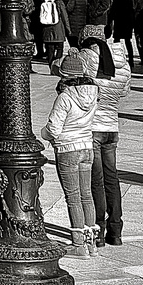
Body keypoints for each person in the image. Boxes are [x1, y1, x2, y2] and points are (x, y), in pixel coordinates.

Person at [41, 48, 99, 257]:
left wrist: (44, 133)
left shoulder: (65, 97)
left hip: (68, 149)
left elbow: (53, 129)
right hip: (87, 147)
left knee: (73, 197)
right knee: (87, 195)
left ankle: (78, 244)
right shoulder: (93, 92)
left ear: (64, 75)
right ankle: (92, 244)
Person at [80, 30, 131, 248]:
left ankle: (99, 230)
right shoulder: (123, 64)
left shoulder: (86, 58)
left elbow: (63, 70)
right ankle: (116, 231)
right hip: (112, 127)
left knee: (96, 181)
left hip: (93, 128)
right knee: (112, 179)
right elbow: (124, 92)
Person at [40, 0, 70, 65]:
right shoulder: (59, 2)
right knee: (60, 48)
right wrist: (68, 29)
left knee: (50, 49)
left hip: (47, 28)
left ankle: (51, 66)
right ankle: (57, 64)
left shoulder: (44, 1)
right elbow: (64, 16)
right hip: (58, 28)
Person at [108, 0, 135, 68]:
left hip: (119, 22)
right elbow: (132, 10)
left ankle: (117, 58)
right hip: (128, 22)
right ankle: (131, 60)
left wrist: (109, 21)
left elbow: (112, 11)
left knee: (116, 40)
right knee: (128, 41)